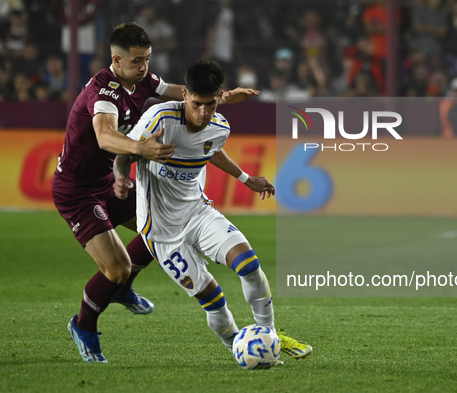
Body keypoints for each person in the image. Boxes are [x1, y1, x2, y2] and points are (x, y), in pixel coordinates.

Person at [52, 22, 257, 363]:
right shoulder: (104, 93)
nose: (144, 66)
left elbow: (181, 92)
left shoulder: (142, 80)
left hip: (107, 180)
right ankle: (83, 324)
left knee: (157, 232)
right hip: (77, 190)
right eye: (136, 61)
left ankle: (122, 290)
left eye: (146, 58)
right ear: (116, 61)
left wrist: (222, 97)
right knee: (116, 268)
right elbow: (104, 136)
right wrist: (140, 148)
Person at [113, 59, 313, 364]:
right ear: (185, 96)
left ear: (219, 98)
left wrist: (247, 179)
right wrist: (121, 177)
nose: (204, 113)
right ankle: (241, 349)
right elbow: (123, 152)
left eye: (210, 105)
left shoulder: (220, 127)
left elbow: (210, 148)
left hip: (198, 213)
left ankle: (269, 334)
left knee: (249, 265)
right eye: (197, 104)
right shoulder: (159, 119)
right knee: (215, 303)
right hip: (162, 234)